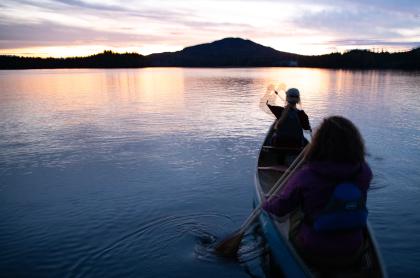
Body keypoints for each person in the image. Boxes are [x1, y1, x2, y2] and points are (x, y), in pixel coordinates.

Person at [263, 116, 372, 266]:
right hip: (354, 248)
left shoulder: (306, 175)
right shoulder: (364, 172)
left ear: (318, 144)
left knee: (294, 213)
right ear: (355, 143)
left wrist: (266, 204)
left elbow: (281, 208)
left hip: (313, 250)